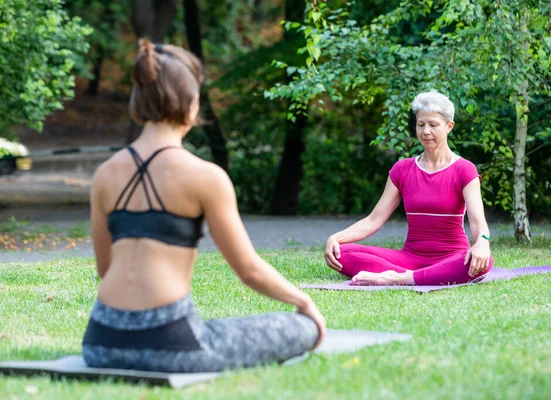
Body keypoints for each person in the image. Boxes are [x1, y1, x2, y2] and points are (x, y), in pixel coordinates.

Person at [82, 39, 325, 373]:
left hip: (101, 342)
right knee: (300, 327)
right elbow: (249, 270)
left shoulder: (105, 174)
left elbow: (104, 269)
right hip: (172, 345)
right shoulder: (205, 176)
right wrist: (304, 301)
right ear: (190, 104)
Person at [324, 91, 492, 286]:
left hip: (452, 257)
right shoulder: (402, 169)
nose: (425, 131)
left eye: (433, 125)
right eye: (421, 125)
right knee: (342, 252)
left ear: (449, 126)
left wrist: (482, 242)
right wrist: (336, 238)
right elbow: (373, 220)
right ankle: (421, 276)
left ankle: (394, 278)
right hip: (410, 258)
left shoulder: (464, 169)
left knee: (483, 261)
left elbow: (478, 223)